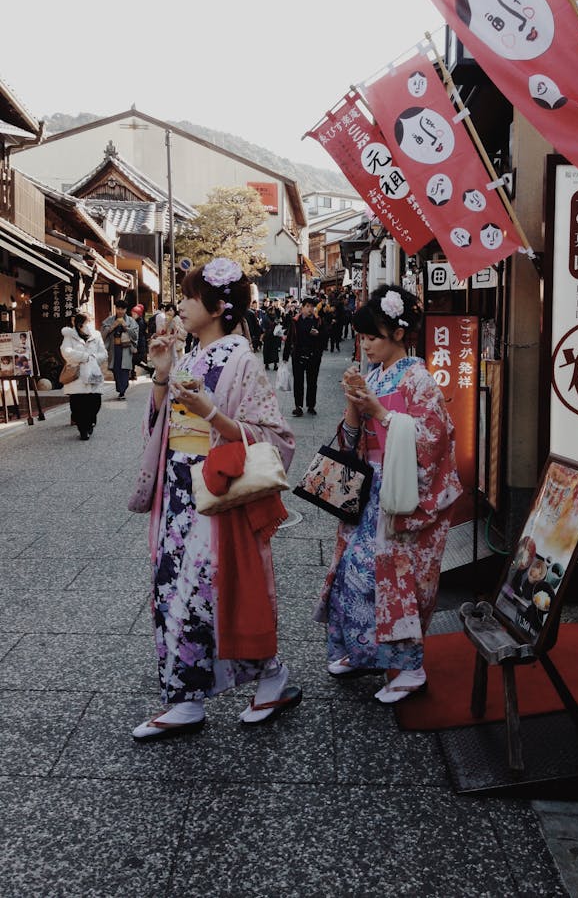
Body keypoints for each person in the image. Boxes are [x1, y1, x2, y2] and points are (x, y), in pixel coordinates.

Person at [132, 257, 300, 741]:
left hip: (216, 491)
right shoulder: (186, 356)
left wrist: (212, 415)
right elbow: (160, 430)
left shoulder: (241, 358)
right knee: (173, 589)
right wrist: (162, 376)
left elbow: (275, 438)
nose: (180, 305)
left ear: (218, 305)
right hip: (178, 492)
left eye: (187, 296)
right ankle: (183, 698)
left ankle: (271, 677)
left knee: (219, 592)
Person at [313, 285, 462, 703]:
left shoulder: (420, 380)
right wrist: (353, 406)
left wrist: (380, 412)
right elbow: (352, 440)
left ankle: (410, 668)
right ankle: (364, 653)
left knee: (397, 581)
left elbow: (434, 440)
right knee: (352, 574)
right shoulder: (376, 376)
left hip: (402, 495)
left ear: (398, 334)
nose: (365, 344)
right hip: (371, 491)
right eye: (362, 337)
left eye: (372, 336)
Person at [60, 312, 108, 440]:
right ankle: (82, 429)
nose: (89, 325)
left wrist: (92, 358)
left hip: (93, 373)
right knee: (77, 404)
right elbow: (66, 352)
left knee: (95, 401)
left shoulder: (96, 335)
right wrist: (83, 357)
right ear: (79, 324)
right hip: (77, 375)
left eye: (90, 322)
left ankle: (91, 422)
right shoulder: (69, 336)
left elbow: (103, 354)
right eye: (87, 322)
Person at [282, 297, 324, 417]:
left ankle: (311, 406)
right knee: (298, 382)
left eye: (312, 307)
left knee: (312, 382)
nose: (311, 309)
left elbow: (326, 337)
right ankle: (298, 406)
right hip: (298, 355)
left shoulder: (318, 321)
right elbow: (289, 338)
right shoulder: (295, 321)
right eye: (308, 306)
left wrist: (318, 334)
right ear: (302, 308)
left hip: (313, 356)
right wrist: (285, 357)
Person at [101, 299, 138, 400]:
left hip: (125, 348)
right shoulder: (109, 320)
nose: (120, 311)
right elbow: (103, 335)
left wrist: (126, 327)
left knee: (125, 369)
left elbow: (135, 336)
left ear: (126, 310)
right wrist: (112, 327)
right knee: (116, 369)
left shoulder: (131, 321)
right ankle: (120, 389)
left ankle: (122, 391)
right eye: (118, 308)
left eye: (123, 309)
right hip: (114, 348)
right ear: (115, 308)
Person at [130, 304, 150, 378]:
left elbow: (137, 334)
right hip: (140, 343)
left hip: (139, 344)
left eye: (134, 314)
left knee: (135, 360)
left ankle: (149, 369)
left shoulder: (139, 322)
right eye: (132, 313)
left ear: (138, 314)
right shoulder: (138, 321)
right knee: (134, 360)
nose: (133, 315)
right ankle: (133, 374)